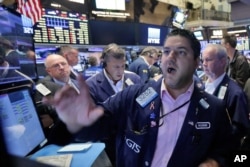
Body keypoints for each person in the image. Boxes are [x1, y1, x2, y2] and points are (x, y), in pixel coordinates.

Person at [43, 29, 235, 167]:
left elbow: (227, 151)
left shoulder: (214, 109)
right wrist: (75, 121)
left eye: (181, 52)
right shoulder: (133, 96)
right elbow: (97, 126)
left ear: (196, 63)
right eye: (166, 51)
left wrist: (213, 162)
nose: (170, 57)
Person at [82, 43, 141, 165]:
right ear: (105, 64)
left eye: (123, 66)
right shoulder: (91, 85)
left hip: (134, 138)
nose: (120, 71)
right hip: (108, 142)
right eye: (116, 67)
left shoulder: (134, 79)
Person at [202, 44, 250, 147]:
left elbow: (240, 129)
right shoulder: (200, 89)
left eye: (208, 60)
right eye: (203, 60)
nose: (204, 64)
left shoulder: (235, 93)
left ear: (222, 61)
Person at [35, 54, 77, 144]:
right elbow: (45, 117)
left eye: (63, 64)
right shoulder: (42, 86)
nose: (61, 67)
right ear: (48, 71)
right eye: (56, 65)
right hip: (62, 140)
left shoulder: (80, 84)